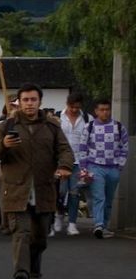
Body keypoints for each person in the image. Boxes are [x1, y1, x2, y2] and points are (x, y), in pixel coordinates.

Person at [0, 84, 73, 279]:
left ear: (40, 102)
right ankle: (21, 274)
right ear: (19, 102)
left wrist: (63, 166)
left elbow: (64, 150)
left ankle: (35, 274)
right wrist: (4, 145)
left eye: (33, 100)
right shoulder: (7, 126)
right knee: (22, 233)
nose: (29, 104)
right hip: (16, 190)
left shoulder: (52, 126)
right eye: (25, 100)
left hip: (44, 189)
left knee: (40, 237)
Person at [78, 99, 129, 239]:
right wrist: (84, 168)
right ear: (96, 111)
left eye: (107, 109)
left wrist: (120, 166)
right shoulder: (89, 127)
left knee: (109, 199)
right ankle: (99, 225)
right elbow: (82, 149)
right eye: (102, 109)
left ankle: (104, 226)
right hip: (95, 167)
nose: (105, 112)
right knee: (99, 197)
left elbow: (124, 147)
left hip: (113, 168)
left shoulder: (119, 127)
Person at [54, 92, 88, 237]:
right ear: (67, 104)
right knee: (60, 191)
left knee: (74, 193)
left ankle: (72, 223)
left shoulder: (87, 118)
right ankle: (59, 215)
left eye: (77, 107)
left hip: (79, 161)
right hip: (61, 160)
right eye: (72, 107)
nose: (74, 110)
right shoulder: (57, 116)